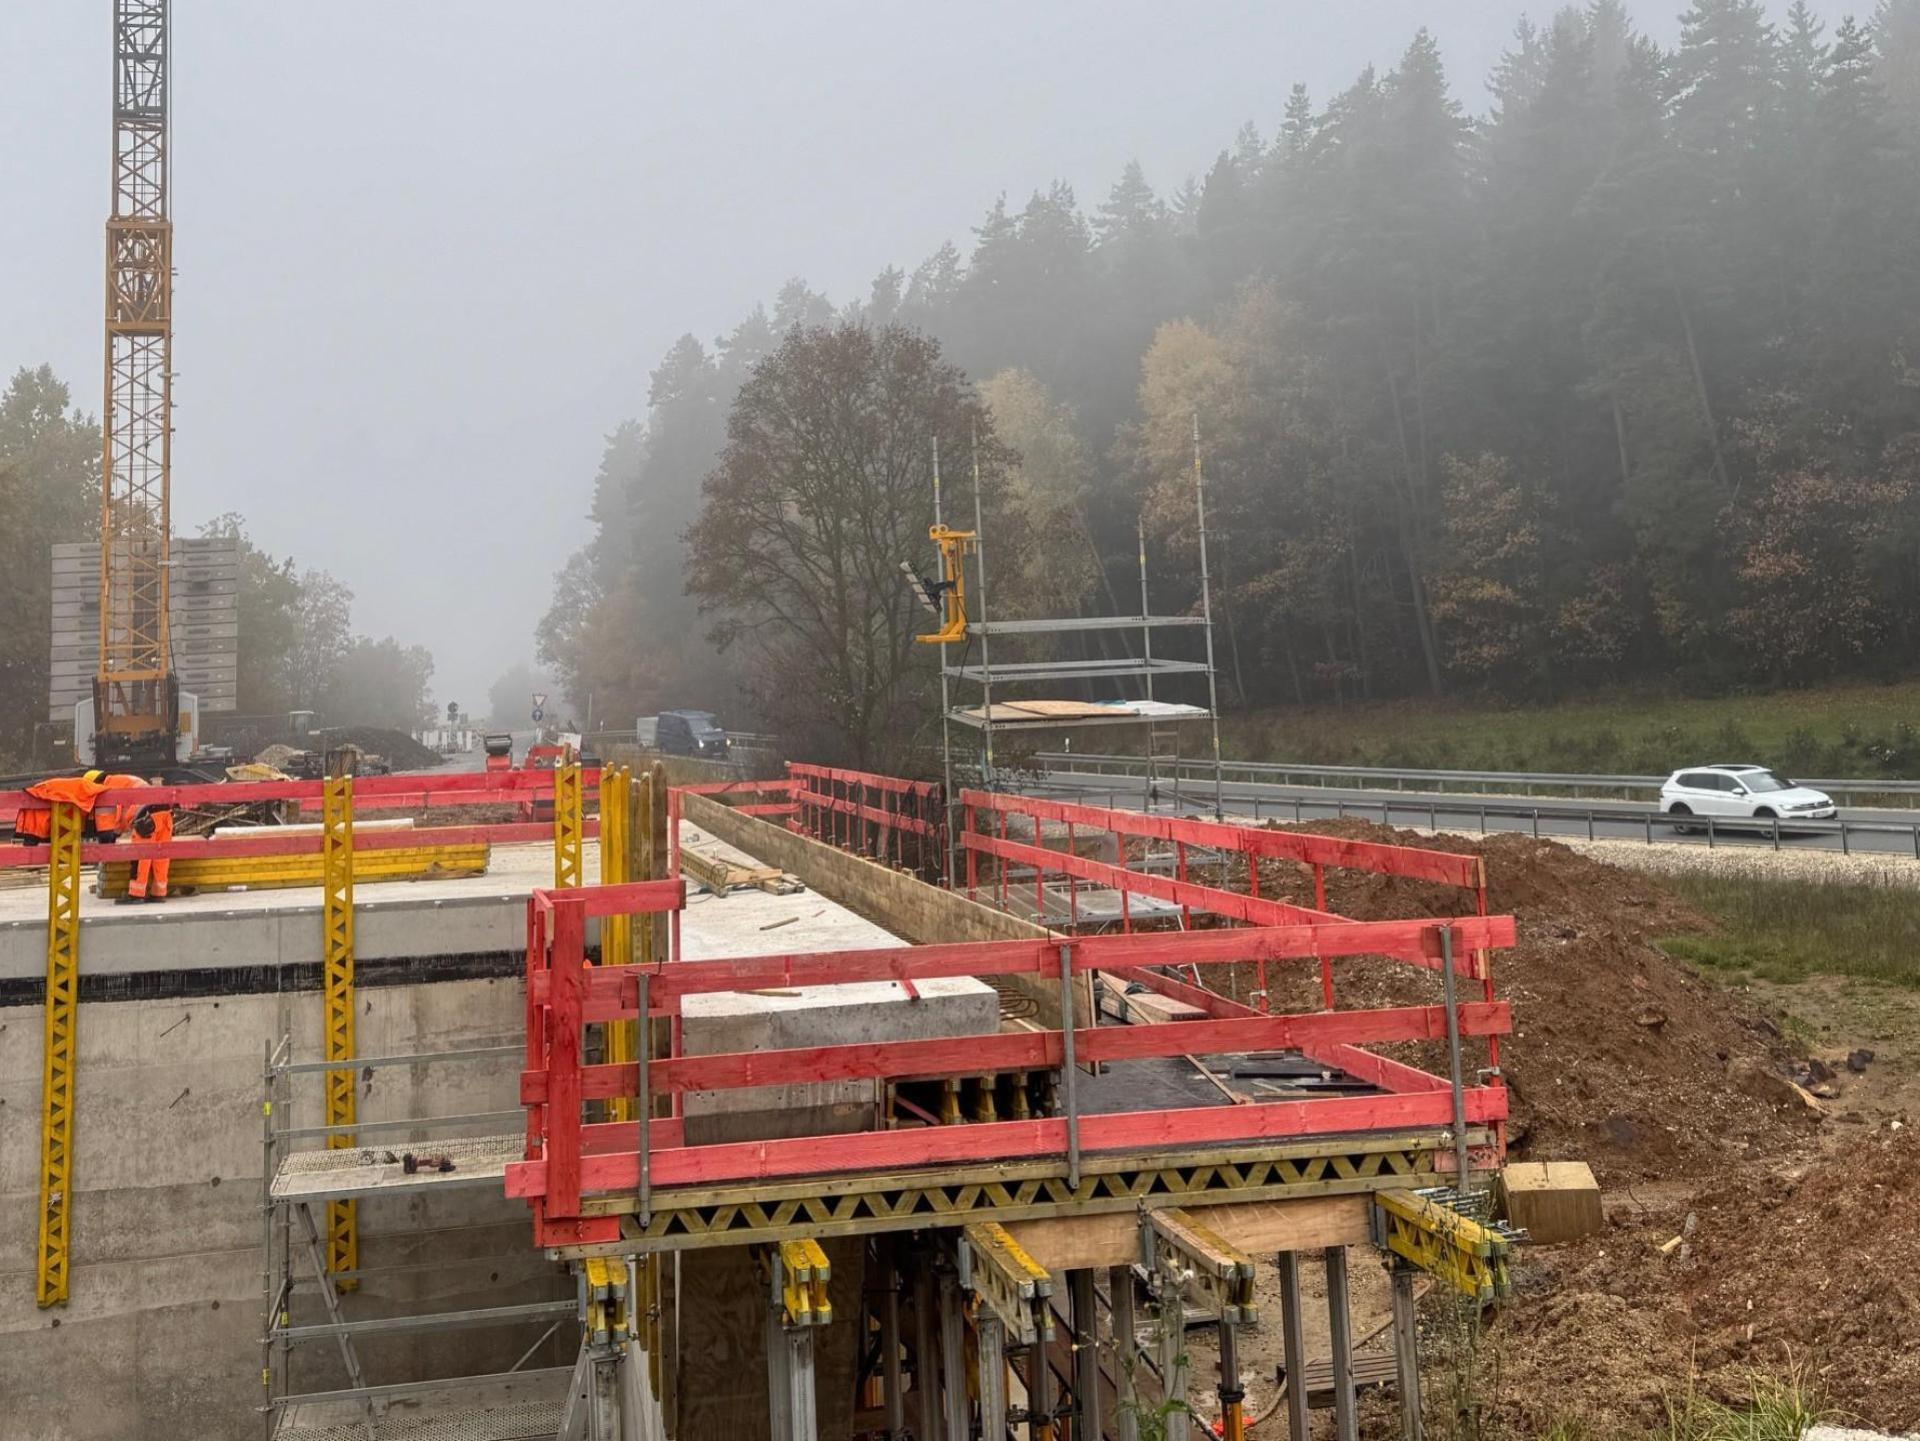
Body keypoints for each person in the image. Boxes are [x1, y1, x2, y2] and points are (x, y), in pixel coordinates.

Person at [120, 783, 173, 905]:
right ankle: (159, 894)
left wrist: (126, 826)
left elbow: (127, 816)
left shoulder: (125, 794)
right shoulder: (143, 788)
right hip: (166, 817)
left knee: (141, 859)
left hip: (145, 820)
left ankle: (136, 894)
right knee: (161, 857)